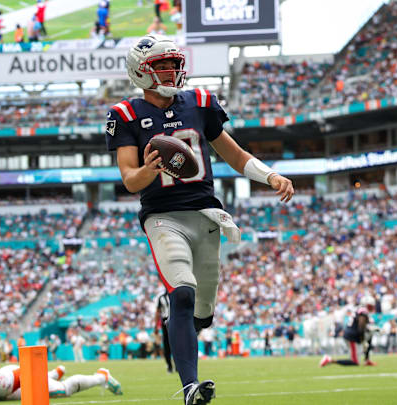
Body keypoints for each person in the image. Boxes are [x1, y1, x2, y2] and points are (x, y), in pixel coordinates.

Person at [106, 34, 294, 405]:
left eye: (175, 63)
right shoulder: (125, 114)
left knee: (203, 312)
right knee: (183, 292)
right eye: (162, 65)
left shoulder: (201, 102)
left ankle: (175, 322)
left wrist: (270, 176)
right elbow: (130, 181)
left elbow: (236, 156)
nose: (173, 71)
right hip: (162, 216)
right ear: (141, 72)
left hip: (206, 214)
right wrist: (149, 169)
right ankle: (191, 387)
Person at [154, 289, 174, 373]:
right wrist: (156, 326)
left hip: (175, 319)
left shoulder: (175, 295)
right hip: (165, 321)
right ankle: (169, 366)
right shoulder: (161, 297)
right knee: (167, 344)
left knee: (176, 344)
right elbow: (158, 312)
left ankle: (178, 366)